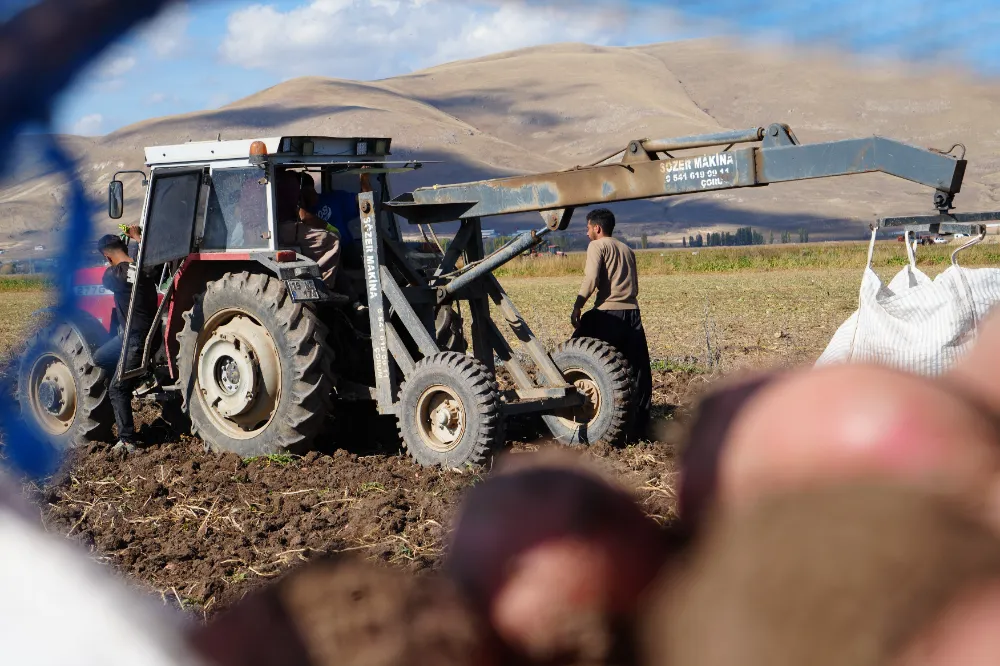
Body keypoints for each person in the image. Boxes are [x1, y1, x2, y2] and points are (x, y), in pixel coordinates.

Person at [570, 208, 652, 438]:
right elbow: (634, 285)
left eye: (588, 228)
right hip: (632, 314)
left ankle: (570, 410)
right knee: (637, 372)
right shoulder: (627, 249)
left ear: (597, 228)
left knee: (575, 355)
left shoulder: (597, 246)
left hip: (608, 314)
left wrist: (578, 305)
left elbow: (591, 278)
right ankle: (639, 427)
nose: (587, 233)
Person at [92, 228, 158, 453]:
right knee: (100, 356)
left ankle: (128, 440)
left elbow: (113, 273)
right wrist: (138, 239)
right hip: (143, 333)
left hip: (135, 338)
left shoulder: (111, 275)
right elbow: (136, 266)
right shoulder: (146, 269)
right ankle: (135, 377)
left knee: (116, 389)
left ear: (107, 256)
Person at [298, 171, 370, 271]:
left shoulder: (334, 199)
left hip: (344, 249)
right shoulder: (298, 213)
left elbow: (367, 203)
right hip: (318, 256)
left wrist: (364, 181)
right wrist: (328, 227)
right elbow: (305, 218)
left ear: (311, 187)